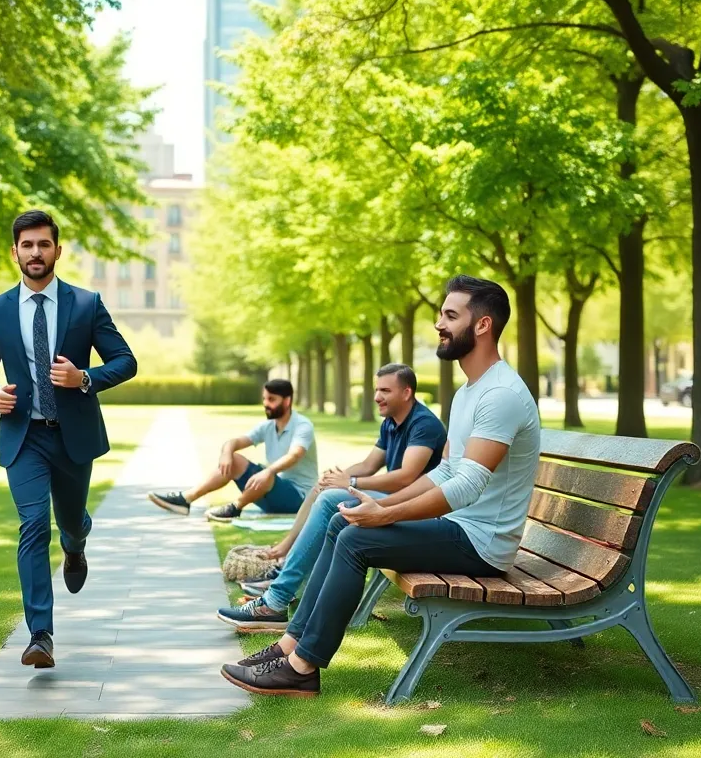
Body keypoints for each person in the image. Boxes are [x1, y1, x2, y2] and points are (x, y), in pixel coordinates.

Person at [220, 275, 540, 696]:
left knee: (356, 540)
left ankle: (302, 668)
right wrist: (375, 503)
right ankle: (289, 643)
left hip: (482, 541)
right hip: (461, 528)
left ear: (482, 325)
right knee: (342, 521)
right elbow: (444, 473)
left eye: (450, 315)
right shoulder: (469, 393)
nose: (438, 324)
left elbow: (467, 487)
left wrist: (385, 513)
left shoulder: (500, 394)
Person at [0, 210, 138, 669]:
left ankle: (77, 542)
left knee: (68, 520)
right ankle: (39, 634)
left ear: (57, 251)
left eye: (44, 244)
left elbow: (125, 361)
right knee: (32, 525)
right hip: (24, 437)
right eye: (27, 245)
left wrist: (83, 377)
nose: (36, 253)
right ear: (15, 252)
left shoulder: (86, 304)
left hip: (73, 437)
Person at [216, 364, 446, 631]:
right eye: (376, 390)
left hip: (414, 512)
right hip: (393, 501)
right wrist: (335, 478)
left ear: (407, 393)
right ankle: (284, 566)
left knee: (329, 501)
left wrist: (349, 482)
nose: (376, 397)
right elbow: (369, 464)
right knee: (322, 489)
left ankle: (276, 600)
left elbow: (407, 476)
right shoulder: (391, 423)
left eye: (385, 390)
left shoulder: (424, 424)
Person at [148, 380, 316, 522]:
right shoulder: (268, 426)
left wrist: (269, 471)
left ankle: (235, 507)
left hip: (298, 498)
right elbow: (234, 442)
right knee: (235, 459)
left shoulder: (302, 425)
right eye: (264, 398)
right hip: (269, 492)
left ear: (287, 401)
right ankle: (185, 499)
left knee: (267, 473)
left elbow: (295, 455)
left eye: (271, 399)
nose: (266, 403)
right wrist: (226, 454)